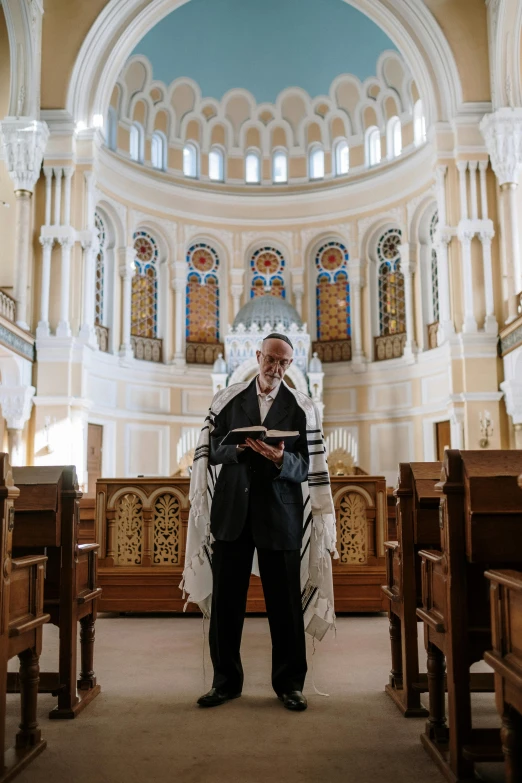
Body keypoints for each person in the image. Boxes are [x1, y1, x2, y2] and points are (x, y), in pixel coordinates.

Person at [181, 332, 337, 713]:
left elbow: (309, 466)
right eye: (271, 359)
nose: (276, 368)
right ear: (258, 355)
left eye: (284, 363)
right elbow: (209, 450)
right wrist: (236, 449)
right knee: (227, 605)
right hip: (233, 512)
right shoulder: (228, 399)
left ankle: (289, 685)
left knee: (284, 605)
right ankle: (225, 683)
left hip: (279, 514)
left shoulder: (301, 408)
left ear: (290, 364)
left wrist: (282, 459)